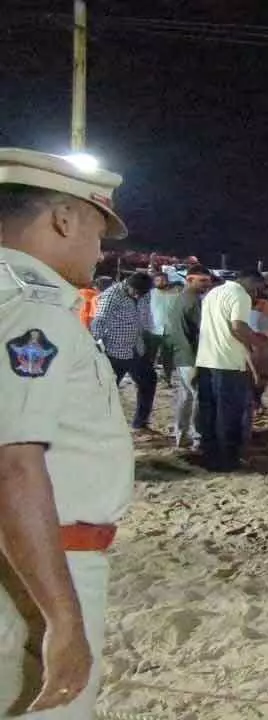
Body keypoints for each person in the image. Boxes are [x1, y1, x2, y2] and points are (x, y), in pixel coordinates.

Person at [0, 147, 134, 717]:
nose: (101, 252)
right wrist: (62, 619)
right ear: (63, 218)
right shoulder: (35, 309)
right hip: (39, 567)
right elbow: (12, 464)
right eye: (99, 231)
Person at [195, 269, 268, 471]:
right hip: (227, 363)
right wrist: (257, 342)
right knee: (228, 414)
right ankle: (227, 460)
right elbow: (237, 327)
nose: (256, 294)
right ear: (250, 282)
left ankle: (209, 456)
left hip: (205, 360)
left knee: (208, 412)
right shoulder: (240, 295)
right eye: (257, 288)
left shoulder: (213, 292)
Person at [91, 271, 158, 432]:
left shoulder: (144, 294)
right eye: (135, 292)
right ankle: (99, 426)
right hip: (115, 350)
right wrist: (95, 347)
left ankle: (140, 422)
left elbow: (146, 316)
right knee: (108, 389)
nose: (138, 296)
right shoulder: (111, 295)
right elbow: (99, 321)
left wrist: (150, 335)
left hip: (136, 348)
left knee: (149, 381)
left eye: (141, 294)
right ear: (127, 284)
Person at [162, 265, 212, 449]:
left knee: (186, 396)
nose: (207, 284)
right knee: (198, 397)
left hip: (181, 354)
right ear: (189, 279)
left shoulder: (179, 299)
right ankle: (197, 438)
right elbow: (204, 328)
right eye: (203, 280)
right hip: (193, 355)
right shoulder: (193, 301)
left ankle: (181, 435)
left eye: (208, 281)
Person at [146, 269, 181, 386]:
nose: (160, 282)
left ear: (167, 280)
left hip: (170, 331)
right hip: (153, 330)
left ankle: (167, 378)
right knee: (150, 357)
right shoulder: (150, 294)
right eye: (157, 280)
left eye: (163, 280)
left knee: (168, 358)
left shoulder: (176, 294)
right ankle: (147, 379)